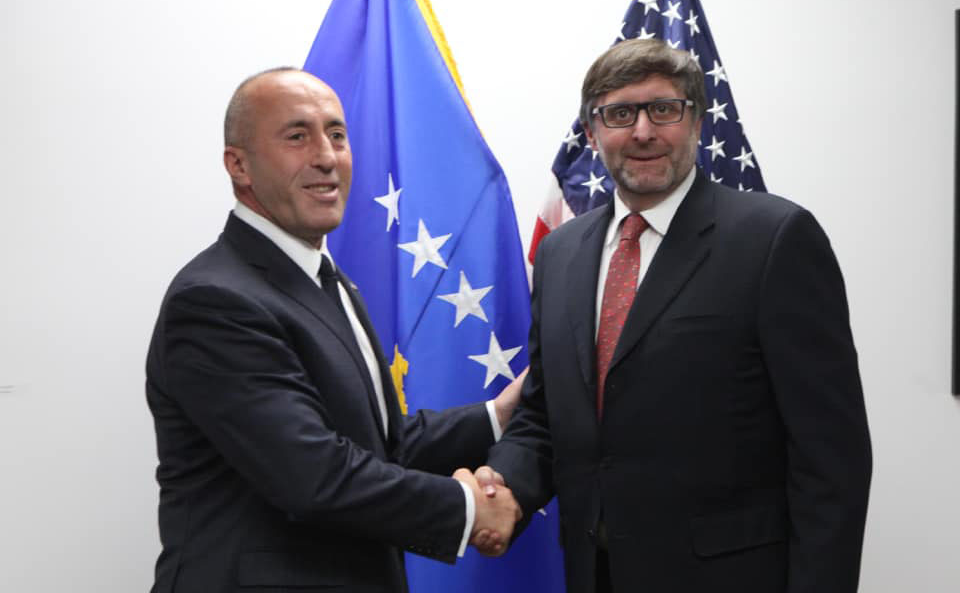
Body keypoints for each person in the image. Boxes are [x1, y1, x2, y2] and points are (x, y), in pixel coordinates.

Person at [473, 39, 872, 592]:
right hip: (596, 574)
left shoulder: (774, 240)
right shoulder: (560, 253)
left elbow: (831, 456)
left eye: (664, 109)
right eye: (620, 114)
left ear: (697, 123)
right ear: (591, 132)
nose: (643, 131)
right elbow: (545, 413)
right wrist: (503, 487)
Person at [146, 67, 521, 593]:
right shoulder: (215, 300)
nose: (326, 157)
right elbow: (312, 474)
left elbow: (377, 446)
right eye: (297, 136)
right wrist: (468, 508)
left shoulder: (326, 281)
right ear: (239, 165)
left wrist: (498, 415)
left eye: (337, 135)